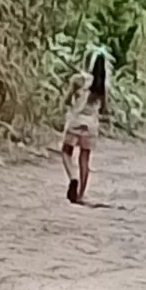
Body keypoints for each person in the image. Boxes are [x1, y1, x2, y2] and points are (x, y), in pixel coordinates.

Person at [61, 49, 110, 205]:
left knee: (66, 152)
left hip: (76, 120)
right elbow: (104, 110)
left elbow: (67, 100)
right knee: (85, 158)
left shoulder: (78, 79)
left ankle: (73, 178)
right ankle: (81, 194)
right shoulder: (102, 86)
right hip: (91, 125)